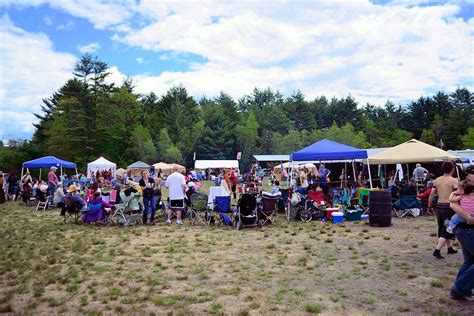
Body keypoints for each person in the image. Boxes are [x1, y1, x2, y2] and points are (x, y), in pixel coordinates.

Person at [449, 165, 474, 301]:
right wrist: (469, 217)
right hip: (466, 229)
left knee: (469, 261)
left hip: (464, 228)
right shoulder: (463, 187)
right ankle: (460, 288)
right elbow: (452, 203)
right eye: (471, 174)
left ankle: (459, 291)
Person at [429, 161, 458, 259]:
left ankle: (449, 248)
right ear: (452, 169)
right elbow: (457, 195)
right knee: (447, 228)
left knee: (442, 226)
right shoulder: (454, 181)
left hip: (439, 206)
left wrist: (429, 206)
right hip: (449, 207)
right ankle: (437, 250)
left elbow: (432, 194)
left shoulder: (437, 180)